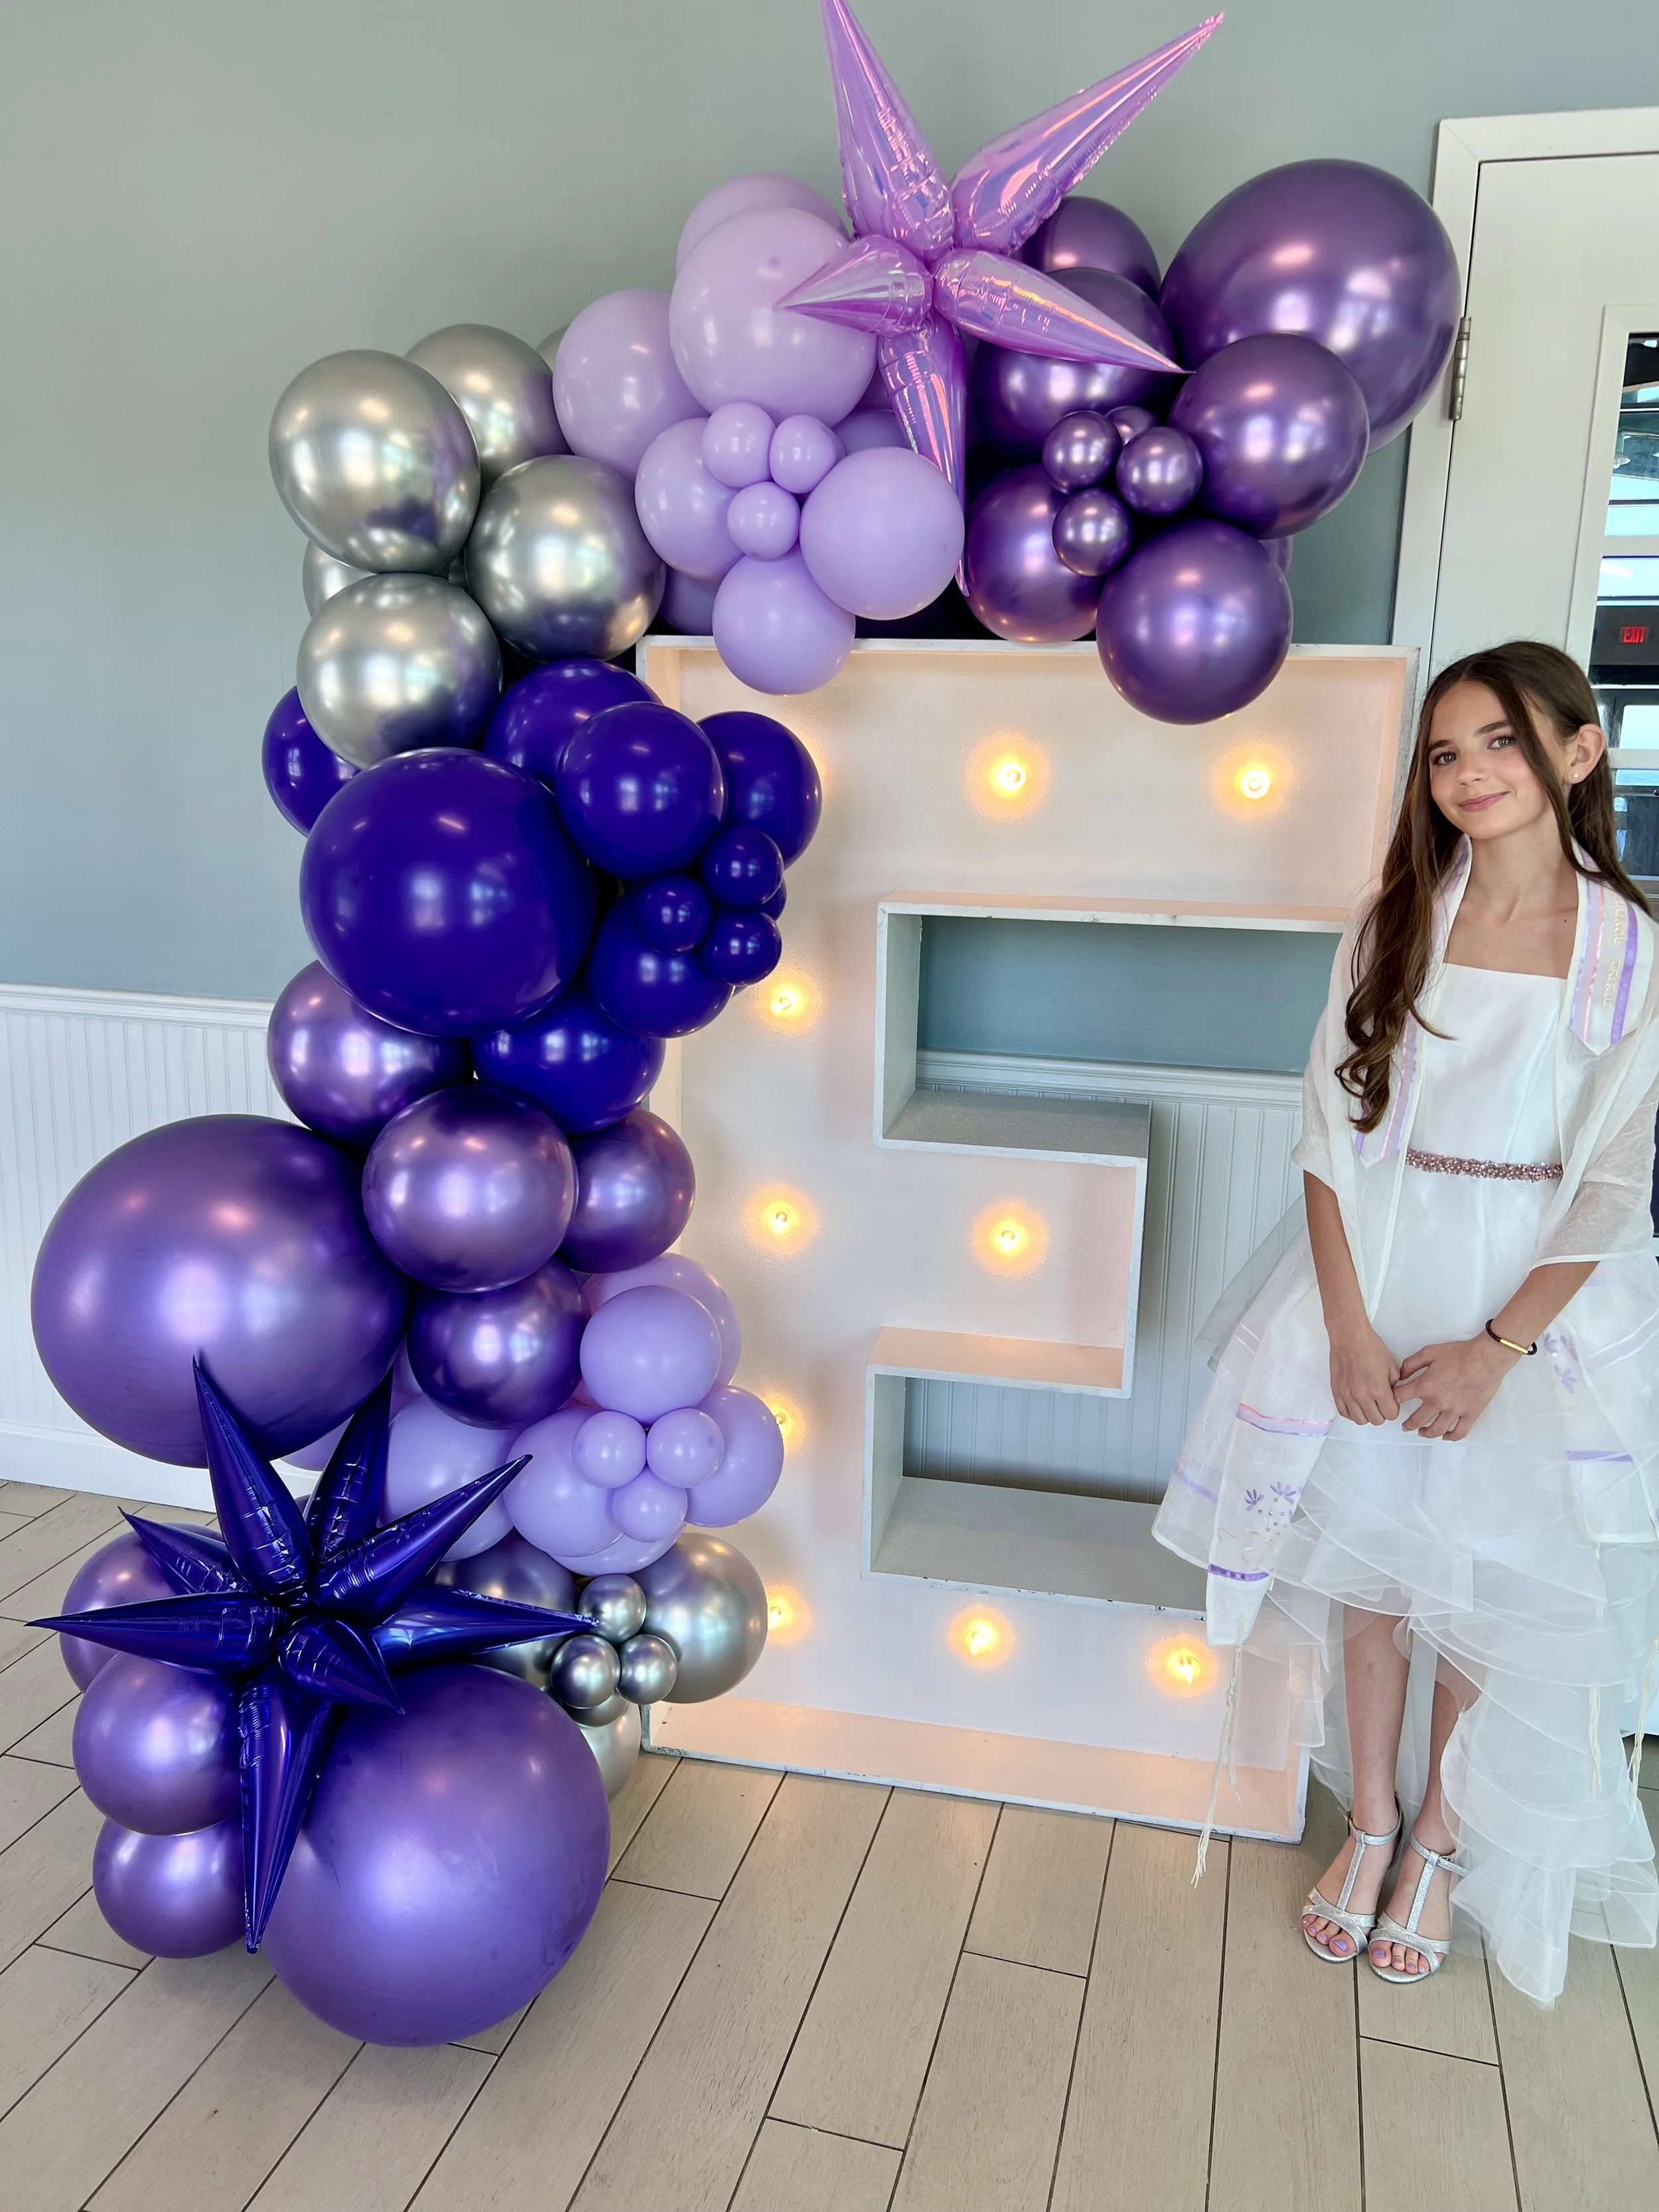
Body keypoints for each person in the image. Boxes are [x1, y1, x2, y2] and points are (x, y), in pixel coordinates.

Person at [1154, 639, 1659, 2004]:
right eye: (1443, 752)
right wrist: (1344, 1330)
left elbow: (1611, 1179)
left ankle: (1439, 1840)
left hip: (1524, 1306)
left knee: (1484, 1594)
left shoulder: (1629, 950)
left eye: (1498, 740)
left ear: (1575, 749)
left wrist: (1498, 1352)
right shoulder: (1396, 921)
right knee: (1368, 1581)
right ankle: (1369, 1815)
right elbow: (1326, 1138)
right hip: (1378, 1277)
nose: (1467, 773)